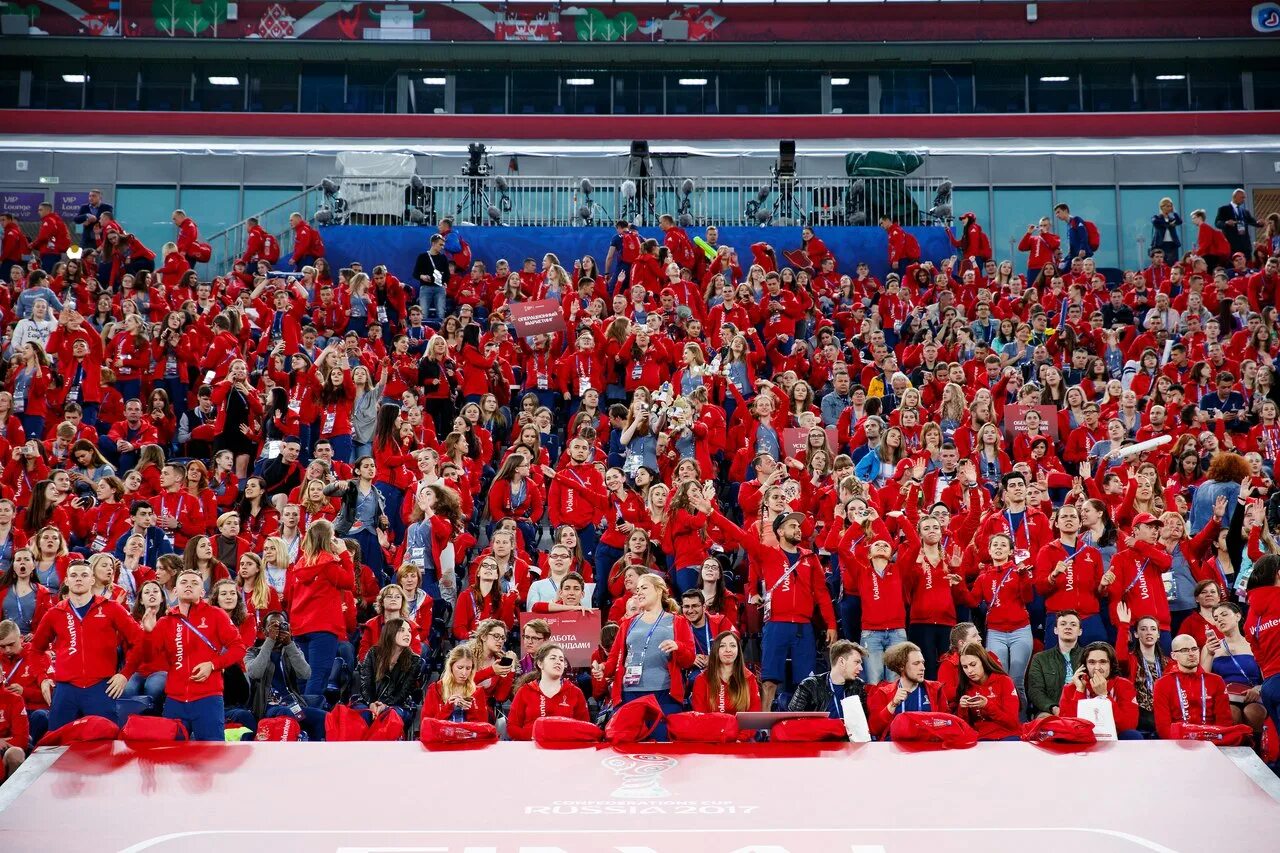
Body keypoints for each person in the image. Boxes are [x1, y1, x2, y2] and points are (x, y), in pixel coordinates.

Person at [694, 488, 836, 713]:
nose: (797, 529)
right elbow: (739, 535)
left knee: (805, 682)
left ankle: (803, 725)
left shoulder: (810, 558)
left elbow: (821, 593)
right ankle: (764, 725)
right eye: (792, 525)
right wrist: (711, 512)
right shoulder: (767, 553)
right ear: (779, 531)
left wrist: (830, 624)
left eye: (798, 526)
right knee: (770, 679)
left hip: (803, 626)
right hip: (776, 624)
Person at [30, 561, 144, 729]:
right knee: (57, 746)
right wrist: (42, 679)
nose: (79, 579)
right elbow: (35, 649)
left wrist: (125, 674)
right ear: (67, 581)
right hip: (65, 689)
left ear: (92, 580)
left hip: (101, 688)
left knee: (104, 745)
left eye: (84, 575)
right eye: (74, 575)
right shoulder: (54, 613)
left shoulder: (111, 608)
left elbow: (140, 640)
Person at [596, 573, 695, 740]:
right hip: (629, 694)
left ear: (659, 590)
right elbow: (614, 658)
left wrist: (678, 647)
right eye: (637, 589)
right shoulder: (628, 623)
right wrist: (603, 669)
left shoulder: (678, 622)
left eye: (644, 587)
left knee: (663, 747)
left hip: (664, 694)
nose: (638, 592)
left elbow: (689, 659)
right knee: (629, 748)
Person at [151, 567, 247, 740]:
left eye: (195, 583)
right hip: (175, 700)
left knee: (212, 757)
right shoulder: (165, 621)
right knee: (172, 758)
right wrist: (148, 633)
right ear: (174, 590)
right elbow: (149, 656)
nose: (189, 585)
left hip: (208, 698)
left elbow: (239, 648)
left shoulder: (216, 614)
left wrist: (213, 665)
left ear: (202, 591)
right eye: (184, 582)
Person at [283, 519, 355, 701]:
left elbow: (289, 597)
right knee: (318, 676)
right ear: (328, 539)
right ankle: (309, 721)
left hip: (299, 627)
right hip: (322, 627)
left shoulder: (299, 564)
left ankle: (298, 720)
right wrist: (345, 554)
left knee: (303, 677)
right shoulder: (328, 564)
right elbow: (349, 582)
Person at [1152, 633, 1233, 739]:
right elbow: (1163, 727)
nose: (1191, 654)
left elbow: (1224, 722)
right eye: (1184, 650)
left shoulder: (1216, 681)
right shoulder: (1162, 684)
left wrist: (1210, 739)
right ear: (1173, 656)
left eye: (1194, 649)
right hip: (1178, 742)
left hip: (1212, 741)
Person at [1057, 641, 1143, 739]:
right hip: (1082, 738)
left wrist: (1104, 696)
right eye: (1092, 662)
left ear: (1111, 665)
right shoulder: (1071, 688)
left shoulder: (1125, 685)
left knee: (1132, 735)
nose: (1097, 668)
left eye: (1103, 662)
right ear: (1084, 666)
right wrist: (1079, 691)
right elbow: (1067, 726)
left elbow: (1129, 725)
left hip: (1115, 737)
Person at [505, 643, 590, 741]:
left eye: (561, 660)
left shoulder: (575, 692)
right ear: (540, 664)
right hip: (532, 749)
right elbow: (512, 727)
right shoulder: (524, 691)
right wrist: (534, 735)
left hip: (565, 750)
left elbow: (585, 728)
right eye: (553, 658)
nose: (558, 662)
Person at [866, 641, 948, 740]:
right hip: (894, 750)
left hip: (926, 749)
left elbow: (947, 723)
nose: (923, 668)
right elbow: (874, 729)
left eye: (922, 663)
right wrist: (892, 704)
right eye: (916, 664)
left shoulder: (935, 690)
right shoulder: (883, 692)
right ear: (901, 666)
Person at [352, 618, 422, 731]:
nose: (407, 634)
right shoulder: (373, 653)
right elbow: (366, 685)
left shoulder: (414, 660)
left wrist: (384, 705)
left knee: (388, 715)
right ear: (390, 632)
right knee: (364, 714)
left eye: (409, 631)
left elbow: (403, 693)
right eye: (402, 630)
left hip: (399, 705)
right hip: (369, 701)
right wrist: (372, 703)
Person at [953, 642, 1021, 741]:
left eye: (973, 664)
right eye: (965, 667)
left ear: (983, 661)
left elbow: (1012, 722)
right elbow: (964, 728)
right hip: (980, 739)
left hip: (1007, 736)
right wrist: (962, 709)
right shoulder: (965, 687)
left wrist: (987, 705)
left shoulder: (1004, 681)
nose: (970, 671)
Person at [789, 639, 866, 722]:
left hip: (849, 734)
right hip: (819, 734)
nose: (861, 668)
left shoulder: (858, 686)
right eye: (857, 662)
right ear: (842, 661)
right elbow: (791, 723)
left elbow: (863, 723)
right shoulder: (810, 685)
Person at [1026, 610, 1084, 719]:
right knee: (1044, 720)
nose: (1068, 627)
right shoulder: (1040, 658)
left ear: (1080, 631)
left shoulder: (1089, 657)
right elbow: (1035, 691)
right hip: (1051, 710)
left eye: (1073, 624)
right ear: (1055, 630)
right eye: (1063, 624)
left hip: (1083, 708)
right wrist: (1053, 707)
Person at [423, 645, 488, 723]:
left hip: (468, 734)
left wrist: (470, 710)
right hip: (442, 734)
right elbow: (427, 725)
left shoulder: (478, 692)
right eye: (460, 667)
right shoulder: (435, 689)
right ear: (451, 666)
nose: (464, 673)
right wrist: (448, 707)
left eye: (468, 668)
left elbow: (482, 728)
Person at [1215, 188, 1259, 259]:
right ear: (1235, 197)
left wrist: (1259, 223)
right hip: (1232, 245)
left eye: (1244, 197)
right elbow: (1217, 223)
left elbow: (1252, 221)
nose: (1244, 199)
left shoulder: (1244, 212)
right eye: (1242, 197)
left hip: (1245, 246)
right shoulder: (1224, 209)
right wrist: (1226, 223)